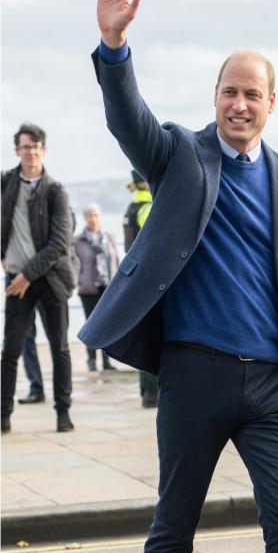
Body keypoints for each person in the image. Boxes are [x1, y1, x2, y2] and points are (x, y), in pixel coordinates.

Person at [82, 0, 278, 553]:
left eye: (252, 95)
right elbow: (127, 119)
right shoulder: (180, 156)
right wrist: (113, 48)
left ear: (271, 103)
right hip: (195, 376)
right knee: (174, 526)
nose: (239, 105)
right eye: (229, 92)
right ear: (215, 96)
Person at [0, 123, 75, 433]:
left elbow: (60, 243)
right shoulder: (4, 183)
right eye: (24, 147)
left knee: (59, 347)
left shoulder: (55, 191)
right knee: (11, 350)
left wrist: (27, 275)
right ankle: (3, 414)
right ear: (17, 151)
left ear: (43, 150)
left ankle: (63, 411)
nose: (30, 152)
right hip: (17, 279)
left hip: (49, 280)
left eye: (35, 146)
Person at [122, 170, 158, 407]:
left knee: (145, 335)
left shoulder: (130, 209)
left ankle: (145, 391)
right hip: (151, 278)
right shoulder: (148, 208)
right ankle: (153, 392)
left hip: (133, 278)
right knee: (156, 338)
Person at [75, 202, 119, 372]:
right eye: (90, 215)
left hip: (108, 288)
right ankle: (91, 359)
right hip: (89, 289)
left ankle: (107, 361)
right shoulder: (78, 241)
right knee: (91, 325)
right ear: (85, 218)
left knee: (108, 325)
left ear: (100, 217)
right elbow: (73, 263)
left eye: (96, 215)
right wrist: (78, 280)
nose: (93, 218)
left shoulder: (109, 238)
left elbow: (117, 260)